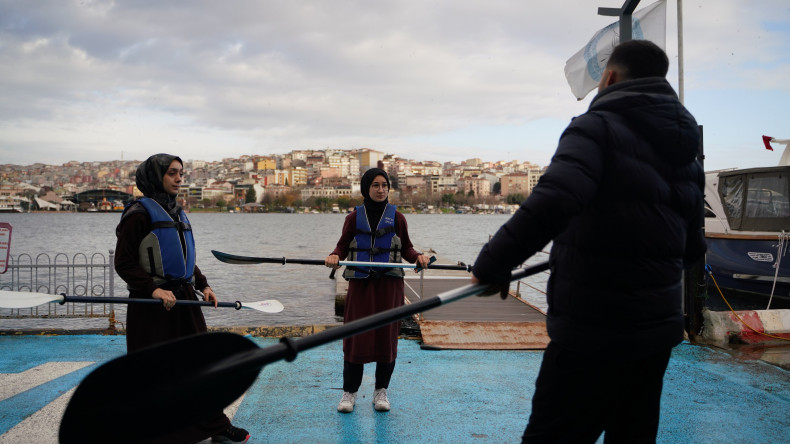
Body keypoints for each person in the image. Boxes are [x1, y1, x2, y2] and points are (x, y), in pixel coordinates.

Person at [471, 40, 706, 443]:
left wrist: (492, 265)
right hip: (655, 336)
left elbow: (555, 200)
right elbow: (691, 250)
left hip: (593, 329)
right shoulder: (687, 152)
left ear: (610, 77)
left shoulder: (596, 126)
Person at [114, 153, 250, 444]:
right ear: (156, 176)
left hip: (185, 301)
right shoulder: (138, 214)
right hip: (151, 306)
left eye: (181, 173)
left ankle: (215, 426)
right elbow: (124, 262)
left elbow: (182, 257)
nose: (179, 179)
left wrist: (204, 284)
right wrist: (152, 289)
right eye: (172, 173)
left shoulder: (177, 211)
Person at [325, 168, 430, 414]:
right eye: (375, 185)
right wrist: (334, 256)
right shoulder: (353, 218)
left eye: (384, 185)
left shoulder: (399, 218)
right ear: (366, 188)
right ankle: (349, 392)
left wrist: (418, 257)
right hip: (361, 286)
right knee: (355, 338)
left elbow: (407, 249)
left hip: (389, 287)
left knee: (386, 339)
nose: (381, 189)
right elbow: (341, 246)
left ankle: (380, 390)